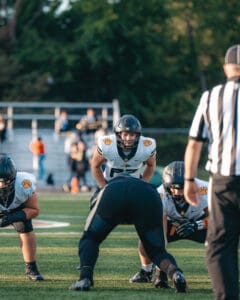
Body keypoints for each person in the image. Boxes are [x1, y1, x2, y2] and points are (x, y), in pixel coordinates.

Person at [184, 44, 240, 300]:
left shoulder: (211, 96)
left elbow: (195, 142)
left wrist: (188, 179)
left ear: (226, 67)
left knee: (219, 245)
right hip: (224, 179)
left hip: (223, 180)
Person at [69, 174, 187, 293]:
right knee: (157, 251)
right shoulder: (147, 187)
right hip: (147, 194)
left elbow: (90, 234)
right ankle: (176, 273)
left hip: (115, 192)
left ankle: (85, 278)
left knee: (90, 238)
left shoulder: (105, 190)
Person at [130, 161, 208, 288]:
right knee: (146, 239)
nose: (178, 192)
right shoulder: (159, 195)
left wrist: (196, 225)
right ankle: (147, 271)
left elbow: (217, 220)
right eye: (174, 188)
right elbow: (161, 236)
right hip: (172, 226)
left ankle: (223, 270)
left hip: (199, 224)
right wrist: (162, 270)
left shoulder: (204, 190)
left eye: (182, 187)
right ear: (166, 186)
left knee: (223, 235)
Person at [90, 114, 156, 209]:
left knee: (151, 203)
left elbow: (151, 165)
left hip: (134, 185)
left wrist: (142, 184)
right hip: (110, 183)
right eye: (125, 134)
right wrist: (103, 187)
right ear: (119, 134)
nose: (128, 138)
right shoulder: (107, 144)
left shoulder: (146, 146)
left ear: (137, 135)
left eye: (132, 134)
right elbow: (95, 165)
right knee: (95, 203)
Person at [0, 154, 44, 280]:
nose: (1, 185)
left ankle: (31, 268)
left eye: (4, 181)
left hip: (16, 207)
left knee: (25, 227)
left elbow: (34, 210)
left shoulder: (24, 183)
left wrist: (12, 217)